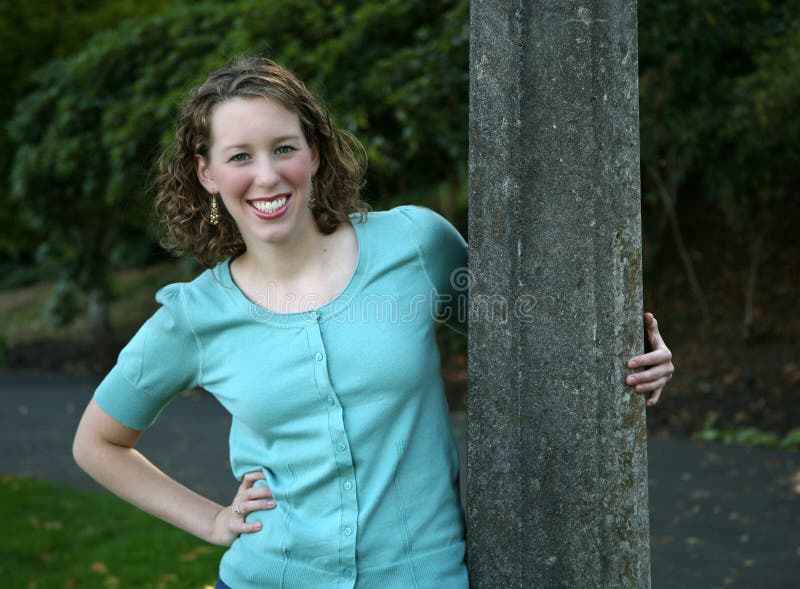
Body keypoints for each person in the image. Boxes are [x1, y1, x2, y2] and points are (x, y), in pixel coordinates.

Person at [72, 56, 674, 589]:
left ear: (314, 150)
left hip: (424, 576)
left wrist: (636, 363)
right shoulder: (194, 317)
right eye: (239, 157)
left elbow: (533, 340)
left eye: (284, 147)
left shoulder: (412, 243)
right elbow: (98, 443)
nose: (267, 176)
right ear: (206, 173)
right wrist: (210, 519)